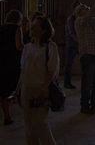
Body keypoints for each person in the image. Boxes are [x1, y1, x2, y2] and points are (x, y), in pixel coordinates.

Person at [18, 16, 59, 145]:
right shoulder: (27, 47)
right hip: (27, 87)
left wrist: (44, 88)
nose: (32, 28)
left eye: (35, 26)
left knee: (41, 124)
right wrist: (18, 88)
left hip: (41, 87)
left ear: (43, 30)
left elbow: (51, 70)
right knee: (29, 126)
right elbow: (23, 69)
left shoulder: (50, 47)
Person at [0, 10, 23, 125]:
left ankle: (7, 115)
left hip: (2, 61)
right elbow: (19, 46)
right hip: (12, 62)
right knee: (12, 88)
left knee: (3, 89)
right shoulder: (16, 29)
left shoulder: (1, 28)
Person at [64, 0, 81, 89]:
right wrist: (79, 41)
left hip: (76, 43)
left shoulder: (77, 18)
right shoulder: (71, 19)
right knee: (69, 64)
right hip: (72, 44)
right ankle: (67, 82)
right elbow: (71, 33)